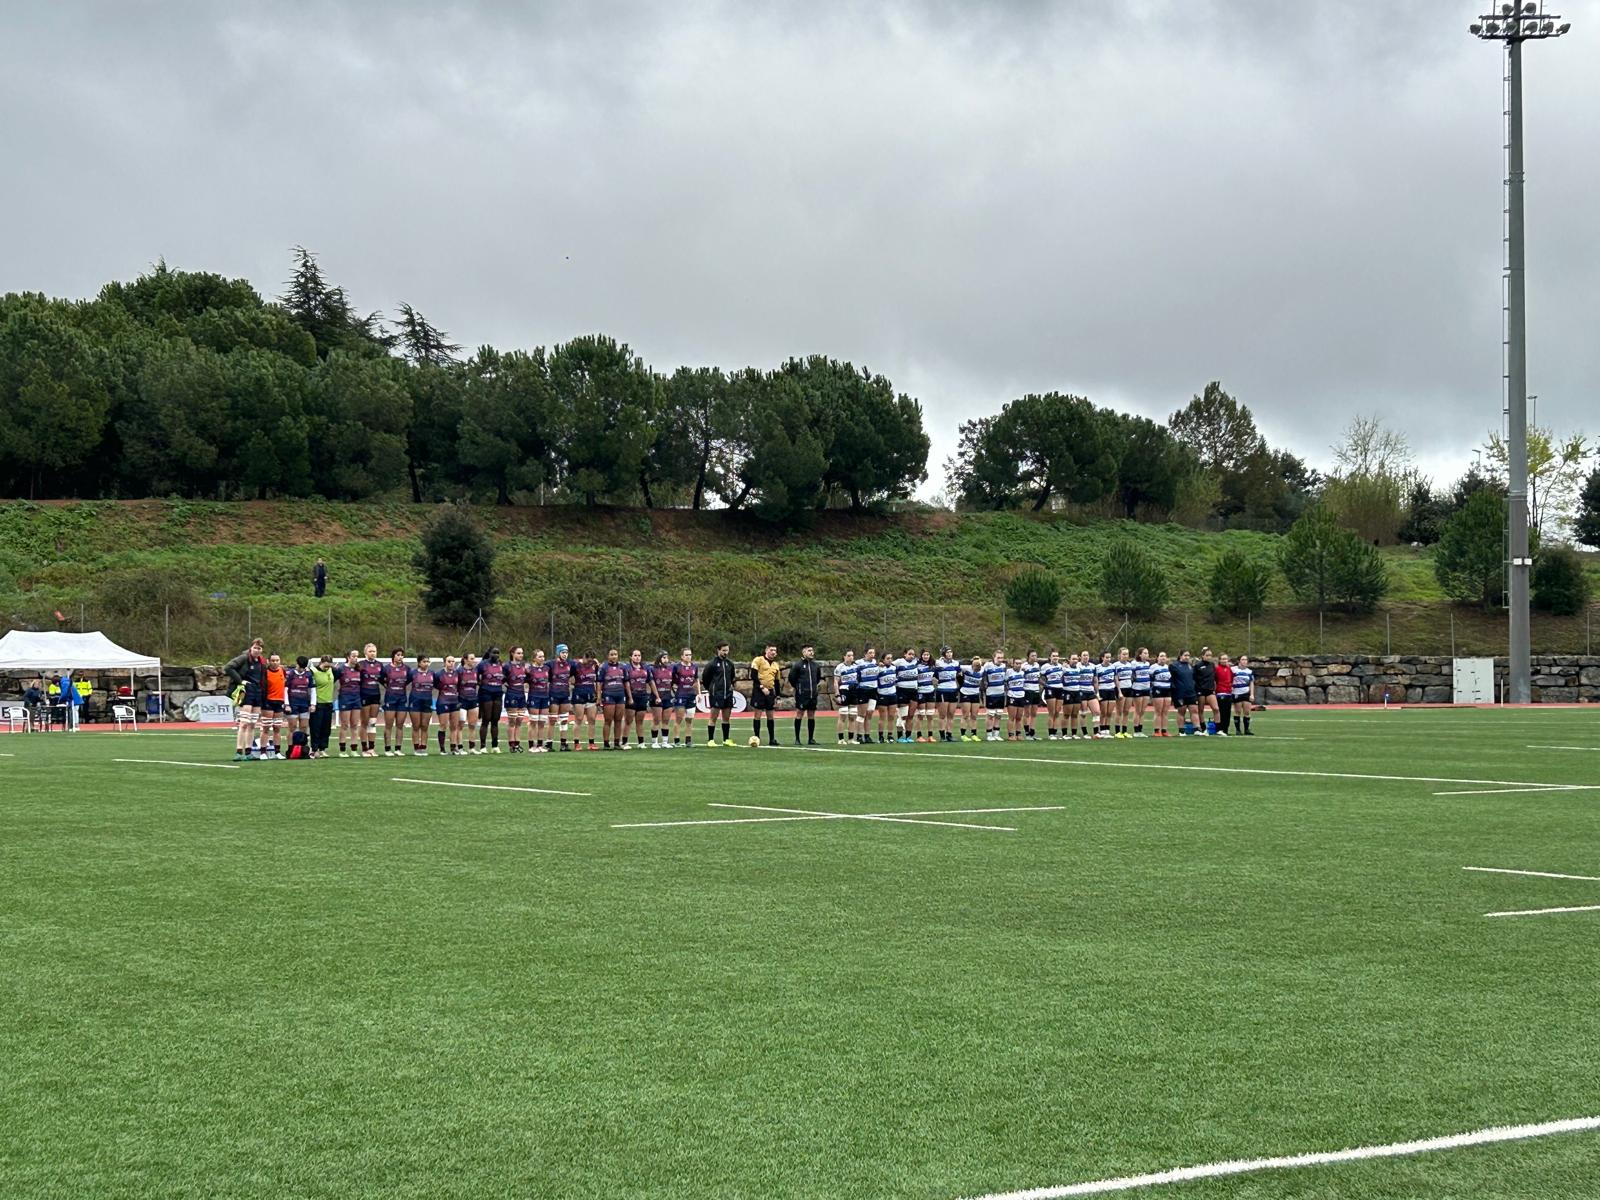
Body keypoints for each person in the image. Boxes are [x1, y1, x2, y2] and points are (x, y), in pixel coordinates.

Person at [226, 638, 267, 761]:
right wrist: (240, 681)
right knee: (243, 723)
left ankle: (249, 751)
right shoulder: (244, 658)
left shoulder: (262, 662)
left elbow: (263, 678)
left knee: (252, 724)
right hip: (246, 692)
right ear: (251, 648)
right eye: (255, 647)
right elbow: (228, 667)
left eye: (259, 648)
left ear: (262, 650)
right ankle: (239, 751)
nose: (256, 650)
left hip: (257, 692)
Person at [701, 643, 736, 747]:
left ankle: (726, 739)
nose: (725, 652)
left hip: (728, 694)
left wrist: (730, 687)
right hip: (716, 694)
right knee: (713, 717)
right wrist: (711, 689)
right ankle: (710, 740)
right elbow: (705, 678)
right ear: (718, 650)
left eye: (727, 650)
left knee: (726, 718)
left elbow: (732, 677)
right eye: (723, 650)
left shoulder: (730, 664)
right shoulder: (712, 664)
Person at [788, 645, 823, 746]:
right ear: (803, 653)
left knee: (811, 715)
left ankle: (811, 739)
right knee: (800, 714)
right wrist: (799, 688)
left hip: (813, 694)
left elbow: (817, 678)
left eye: (812, 650)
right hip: (802, 695)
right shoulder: (798, 665)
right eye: (809, 651)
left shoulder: (815, 665)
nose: (811, 652)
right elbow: (792, 678)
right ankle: (797, 739)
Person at [283, 655, 316, 757]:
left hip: (304, 703)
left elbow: (312, 690)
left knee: (304, 727)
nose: (301, 669)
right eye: (300, 667)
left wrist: (313, 704)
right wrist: (287, 704)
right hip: (293, 703)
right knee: (292, 727)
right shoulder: (291, 674)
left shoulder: (309, 674)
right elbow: (286, 689)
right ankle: (290, 750)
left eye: (303, 667)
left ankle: (303, 750)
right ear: (296, 664)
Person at [750, 645, 782, 747]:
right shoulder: (758, 660)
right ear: (766, 650)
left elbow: (777, 682)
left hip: (770, 692)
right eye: (771, 650)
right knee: (757, 715)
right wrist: (761, 687)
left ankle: (772, 739)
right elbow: (753, 676)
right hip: (759, 691)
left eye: (775, 650)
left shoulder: (776, 665)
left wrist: (778, 696)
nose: (773, 652)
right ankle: (756, 738)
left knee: (770, 716)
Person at [380, 649, 410, 756]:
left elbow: (409, 680)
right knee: (388, 725)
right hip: (390, 699)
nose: (400, 657)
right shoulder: (386, 668)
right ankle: (387, 749)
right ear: (393, 656)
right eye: (398, 655)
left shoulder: (407, 668)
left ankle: (398, 749)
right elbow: (381, 679)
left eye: (402, 655)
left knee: (400, 725)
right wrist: (386, 686)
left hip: (402, 699)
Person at [477, 648, 506, 752]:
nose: (496, 655)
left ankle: (495, 745)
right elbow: (476, 676)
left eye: (498, 653)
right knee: (486, 719)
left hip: (498, 693)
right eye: (494, 653)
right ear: (489, 654)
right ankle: (483, 746)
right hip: (486, 693)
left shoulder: (501, 664)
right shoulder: (483, 664)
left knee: (495, 720)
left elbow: (505, 676)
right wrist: (481, 684)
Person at [260, 652, 287, 759]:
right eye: (273, 660)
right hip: (268, 702)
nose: (275, 662)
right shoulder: (265, 672)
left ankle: (277, 752)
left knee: (277, 728)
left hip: (279, 702)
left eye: (277, 660)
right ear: (268, 661)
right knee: (266, 728)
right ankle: (263, 752)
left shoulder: (282, 671)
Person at [358, 643, 384, 757]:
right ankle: (364, 749)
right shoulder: (361, 665)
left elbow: (384, 680)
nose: (372, 653)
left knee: (372, 723)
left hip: (375, 695)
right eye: (370, 651)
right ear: (365, 653)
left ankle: (372, 748)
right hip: (364, 695)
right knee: (364, 722)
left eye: (374, 651)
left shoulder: (380, 665)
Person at [434, 654, 464, 754]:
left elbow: (459, 686)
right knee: (443, 725)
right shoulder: (439, 674)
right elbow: (435, 684)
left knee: (454, 726)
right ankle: (442, 749)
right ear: (444, 662)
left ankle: (453, 748)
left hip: (454, 701)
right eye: (449, 661)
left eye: (453, 661)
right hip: (443, 701)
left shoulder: (457, 674)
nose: (451, 663)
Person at [599, 649, 628, 750]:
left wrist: (629, 696)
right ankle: (606, 744)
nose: (614, 656)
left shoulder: (622, 667)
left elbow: (626, 682)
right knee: (608, 720)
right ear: (608, 656)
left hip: (620, 695)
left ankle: (617, 743)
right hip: (608, 694)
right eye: (611, 654)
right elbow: (599, 683)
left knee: (619, 720)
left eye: (615, 654)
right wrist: (598, 697)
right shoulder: (604, 667)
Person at [503, 646, 529, 753]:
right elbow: (501, 679)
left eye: (522, 653)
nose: (521, 655)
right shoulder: (507, 666)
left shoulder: (524, 666)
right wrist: (507, 686)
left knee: (519, 721)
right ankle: (511, 744)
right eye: (518, 653)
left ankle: (517, 743)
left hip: (521, 695)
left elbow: (527, 679)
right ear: (512, 654)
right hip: (511, 695)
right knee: (512, 721)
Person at [624, 649, 652, 748]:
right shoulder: (627, 668)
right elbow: (626, 684)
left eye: (639, 655)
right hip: (632, 696)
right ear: (631, 657)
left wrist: (654, 694)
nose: (637, 657)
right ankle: (624, 742)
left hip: (642, 696)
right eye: (635, 655)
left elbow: (650, 682)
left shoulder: (645, 668)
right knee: (628, 720)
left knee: (640, 721)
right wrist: (630, 697)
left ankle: (641, 742)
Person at [672, 649, 699, 748]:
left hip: (691, 695)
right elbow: (673, 681)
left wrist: (698, 693)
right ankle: (676, 740)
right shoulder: (677, 667)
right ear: (682, 656)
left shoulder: (694, 667)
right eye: (686, 655)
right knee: (679, 718)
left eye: (690, 655)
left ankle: (688, 740)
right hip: (680, 695)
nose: (689, 656)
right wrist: (675, 692)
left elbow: (696, 680)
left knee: (690, 719)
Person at [571, 653, 599, 750]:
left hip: (591, 693)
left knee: (592, 719)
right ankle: (576, 743)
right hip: (579, 693)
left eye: (592, 659)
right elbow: (568, 676)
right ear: (584, 657)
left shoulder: (594, 665)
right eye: (588, 659)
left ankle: (591, 743)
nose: (590, 661)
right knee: (579, 718)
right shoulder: (576, 665)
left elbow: (598, 679)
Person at [550, 644, 574, 751]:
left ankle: (563, 744)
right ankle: (549, 744)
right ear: (558, 653)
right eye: (563, 652)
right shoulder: (551, 664)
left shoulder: (570, 664)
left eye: (566, 652)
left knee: (564, 720)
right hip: (554, 694)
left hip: (564, 694)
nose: (565, 654)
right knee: (552, 720)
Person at [527, 648, 552, 752]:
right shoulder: (529, 669)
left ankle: (540, 745)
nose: (542, 658)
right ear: (534, 658)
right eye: (540, 656)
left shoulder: (547, 668)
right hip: (534, 697)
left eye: (543, 656)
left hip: (545, 697)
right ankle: (532, 746)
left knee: (542, 722)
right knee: (533, 722)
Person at [310, 655, 335, 758]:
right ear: (321, 662)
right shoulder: (313, 671)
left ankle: (323, 748)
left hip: (328, 703)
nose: (327, 668)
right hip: (318, 703)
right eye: (325, 666)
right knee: (316, 728)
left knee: (326, 728)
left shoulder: (332, 671)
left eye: (329, 666)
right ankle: (314, 748)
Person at [853, 648, 880, 745]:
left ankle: (867, 736)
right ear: (865, 654)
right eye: (870, 653)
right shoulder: (858, 663)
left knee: (869, 714)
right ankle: (859, 736)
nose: (872, 654)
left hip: (873, 690)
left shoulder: (875, 662)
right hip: (863, 690)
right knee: (861, 714)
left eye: (873, 652)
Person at [649, 652, 675, 749]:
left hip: (667, 696)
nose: (666, 660)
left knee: (666, 720)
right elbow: (651, 683)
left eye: (667, 658)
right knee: (656, 720)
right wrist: (656, 696)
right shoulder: (653, 669)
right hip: (657, 697)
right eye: (664, 658)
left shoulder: (670, 668)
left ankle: (665, 741)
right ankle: (654, 741)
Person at [832, 649, 858, 745]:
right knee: (843, 715)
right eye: (848, 655)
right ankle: (841, 739)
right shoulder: (840, 667)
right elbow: (835, 682)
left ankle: (851, 739)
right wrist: (837, 694)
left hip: (854, 692)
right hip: (844, 691)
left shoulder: (856, 666)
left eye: (852, 655)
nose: (851, 657)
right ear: (844, 657)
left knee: (853, 716)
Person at [408, 654, 433, 754]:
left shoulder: (432, 673)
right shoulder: (412, 673)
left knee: (425, 725)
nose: (426, 664)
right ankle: (416, 747)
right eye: (424, 661)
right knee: (416, 725)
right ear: (419, 663)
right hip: (415, 701)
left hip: (427, 701)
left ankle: (423, 747)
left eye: (427, 661)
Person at [934, 647, 960, 743]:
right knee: (942, 715)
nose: (949, 654)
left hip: (953, 690)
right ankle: (942, 735)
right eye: (947, 652)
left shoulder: (956, 663)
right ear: (943, 654)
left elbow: (958, 673)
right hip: (942, 690)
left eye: (951, 652)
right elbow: (935, 674)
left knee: (951, 714)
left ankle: (949, 734)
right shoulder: (938, 663)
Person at [459, 651, 482, 754]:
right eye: (472, 659)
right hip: (461, 701)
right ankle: (459, 747)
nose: (474, 660)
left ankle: (472, 748)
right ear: (465, 660)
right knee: (460, 725)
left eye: (474, 658)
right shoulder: (459, 671)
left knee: (472, 725)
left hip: (473, 700)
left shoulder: (475, 671)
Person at [1171, 650, 1197, 735]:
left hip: (1191, 692)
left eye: (1188, 655)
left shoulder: (1190, 666)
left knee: (1194, 710)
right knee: (1182, 711)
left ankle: (1197, 729)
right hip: (1180, 693)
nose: (1187, 657)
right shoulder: (1174, 666)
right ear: (1180, 656)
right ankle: (1181, 731)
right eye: (1185, 655)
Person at [1193, 648, 1219, 735]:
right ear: (1202, 656)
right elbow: (1194, 678)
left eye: (1210, 655)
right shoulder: (1198, 666)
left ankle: (1218, 729)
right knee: (1201, 710)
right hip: (1201, 690)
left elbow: (1214, 678)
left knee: (1216, 708)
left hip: (1210, 690)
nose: (1209, 657)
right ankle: (1203, 729)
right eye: (1207, 655)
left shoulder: (1212, 665)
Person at [959, 655, 984, 741]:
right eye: (975, 663)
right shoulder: (966, 668)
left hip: (975, 694)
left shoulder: (983, 669)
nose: (977, 665)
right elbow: (956, 667)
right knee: (965, 715)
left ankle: (974, 734)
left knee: (974, 715)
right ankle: (963, 735)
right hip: (965, 693)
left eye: (978, 663)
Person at [1230, 654, 1256, 735]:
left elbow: (1251, 683)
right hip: (1236, 692)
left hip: (1246, 692)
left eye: (1245, 660)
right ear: (1239, 661)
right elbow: (1229, 679)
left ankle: (1246, 729)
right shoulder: (1233, 670)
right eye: (1242, 659)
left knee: (1247, 712)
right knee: (1237, 711)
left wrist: (1252, 694)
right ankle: (1238, 730)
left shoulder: (1249, 671)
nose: (1244, 661)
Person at [1131, 648, 1153, 737]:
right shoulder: (1134, 663)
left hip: (1146, 688)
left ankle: (1140, 730)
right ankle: (1136, 730)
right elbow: (1131, 674)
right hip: (1137, 688)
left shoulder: (1148, 664)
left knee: (1143, 711)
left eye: (1147, 653)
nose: (1147, 655)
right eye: (1145, 653)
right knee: (1138, 710)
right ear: (1140, 654)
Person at [1151, 651, 1173, 737]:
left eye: (1164, 656)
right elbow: (1150, 678)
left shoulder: (1168, 667)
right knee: (1158, 711)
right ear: (1158, 658)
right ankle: (1157, 730)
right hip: (1158, 690)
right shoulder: (1153, 667)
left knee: (1165, 711)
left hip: (1167, 690)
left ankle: (1164, 730)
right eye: (1161, 656)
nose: (1163, 658)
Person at [1214, 653, 1235, 738]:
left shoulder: (1229, 669)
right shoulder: (1217, 669)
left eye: (1226, 659)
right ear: (1219, 660)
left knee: (1227, 712)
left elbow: (1231, 679)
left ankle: (1226, 729)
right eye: (1222, 659)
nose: (1224, 660)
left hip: (1228, 693)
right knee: (1221, 712)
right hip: (1220, 693)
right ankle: (1219, 729)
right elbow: (1215, 680)